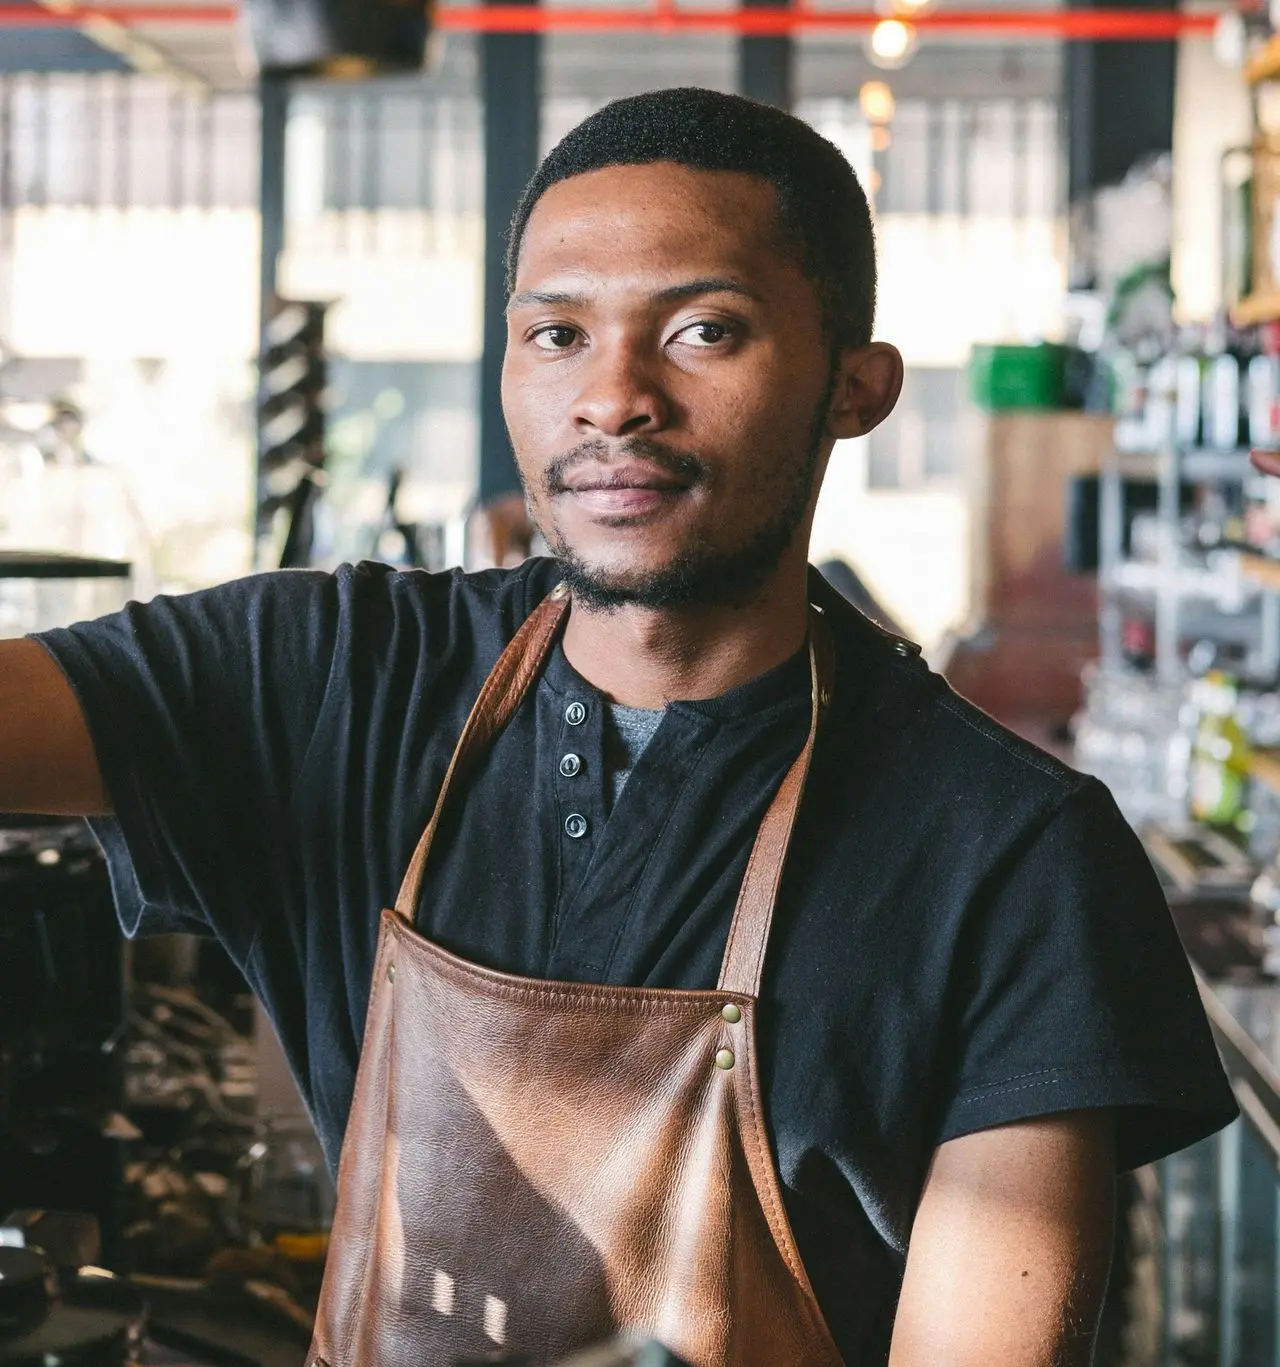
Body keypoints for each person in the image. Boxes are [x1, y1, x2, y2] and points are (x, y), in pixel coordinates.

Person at [0, 88, 1234, 1366]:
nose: (612, 397)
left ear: (854, 388)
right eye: (555, 333)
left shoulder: (1011, 857)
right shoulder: (332, 681)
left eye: (703, 329)